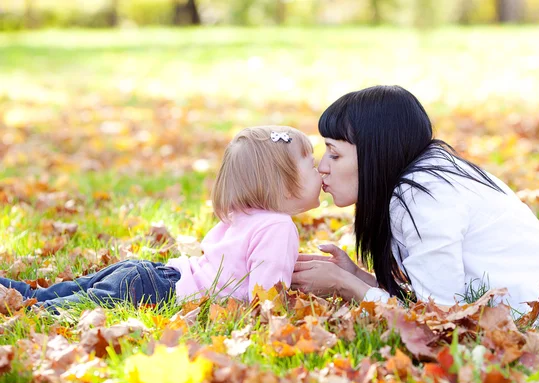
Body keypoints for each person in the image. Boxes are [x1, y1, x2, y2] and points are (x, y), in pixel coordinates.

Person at [292, 85, 539, 325]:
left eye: (334, 154)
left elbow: (440, 317)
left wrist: (344, 285)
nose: (322, 167)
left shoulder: (423, 198)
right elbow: (427, 297)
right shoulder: (427, 178)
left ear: (375, 152)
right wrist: (357, 276)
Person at [0, 126, 322, 312]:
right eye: (310, 163)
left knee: (48, 295)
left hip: (150, 274)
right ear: (282, 184)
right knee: (52, 311)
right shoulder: (279, 227)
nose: (321, 169)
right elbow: (266, 299)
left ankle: (8, 290)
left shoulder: (245, 213)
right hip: (156, 291)